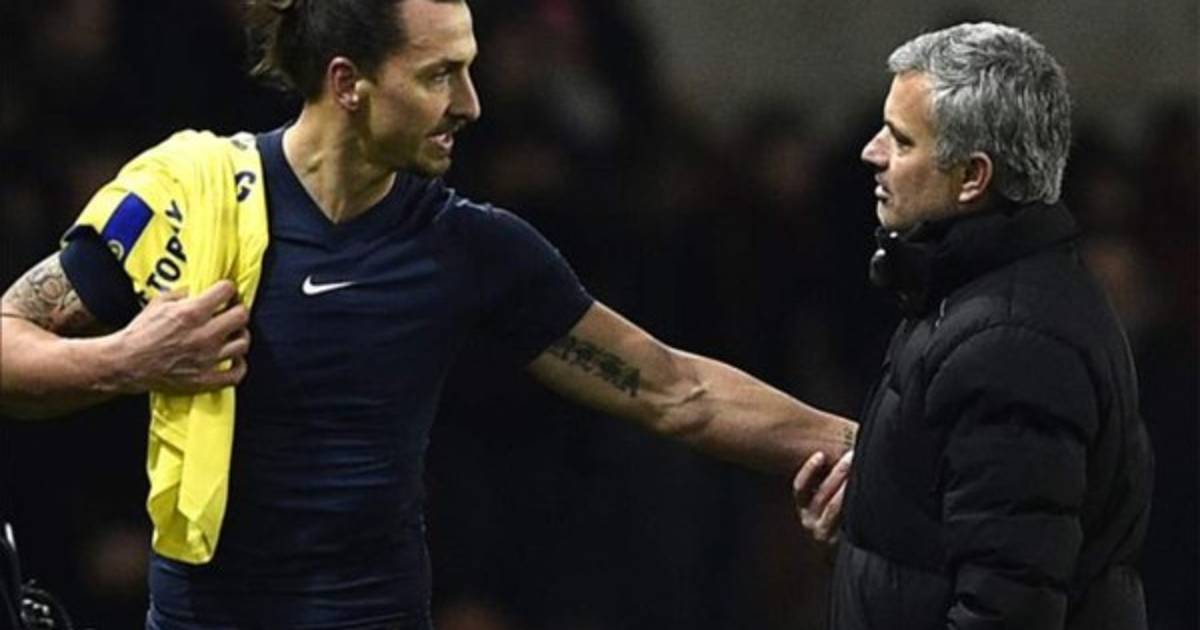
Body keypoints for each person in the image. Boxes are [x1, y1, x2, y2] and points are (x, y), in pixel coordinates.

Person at [0, 0, 855, 628]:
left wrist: (867, 446)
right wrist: (129, 360)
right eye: (440, 74)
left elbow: (676, 391)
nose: (470, 103)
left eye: (468, 68)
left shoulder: (469, 249)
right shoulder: (187, 197)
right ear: (348, 83)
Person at [793, 22, 1153, 629]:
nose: (871, 152)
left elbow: (1006, 610)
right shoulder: (966, 300)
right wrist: (867, 534)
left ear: (972, 178)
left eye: (901, 140)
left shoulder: (1010, 342)